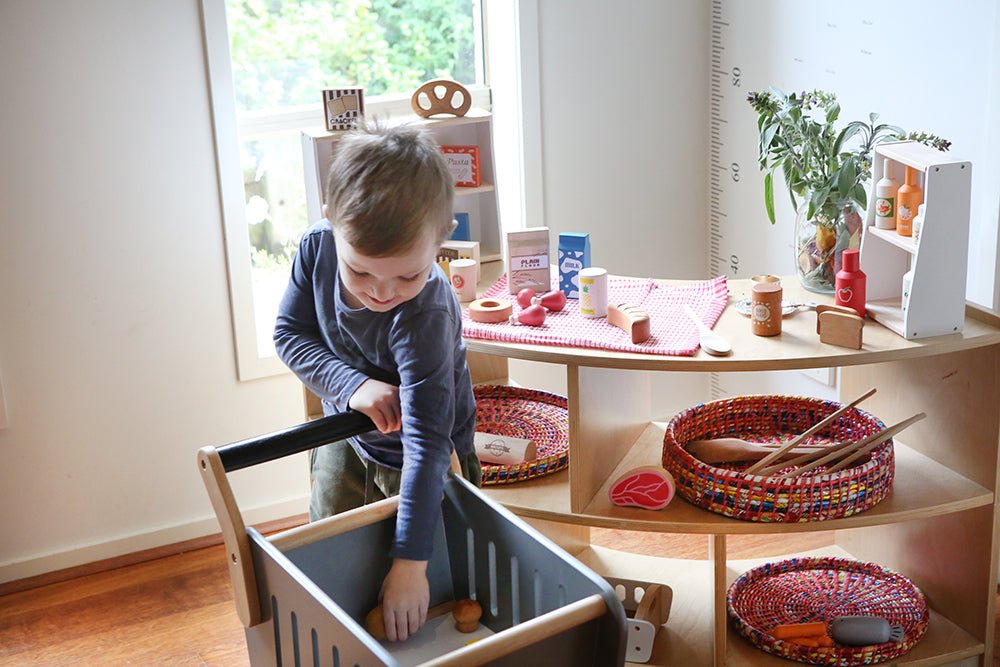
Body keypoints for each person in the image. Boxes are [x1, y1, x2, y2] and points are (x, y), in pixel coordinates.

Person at [273, 122, 480, 642]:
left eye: (408, 276)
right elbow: (289, 334)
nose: (382, 293)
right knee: (335, 570)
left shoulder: (425, 315)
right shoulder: (316, 250)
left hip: (432, 468)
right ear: (331, 223)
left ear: (441, 238)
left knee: (439, 600)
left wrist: (410, 564)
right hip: (348, 439)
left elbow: (429, 447)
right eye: (360, 272)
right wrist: (352, 386)